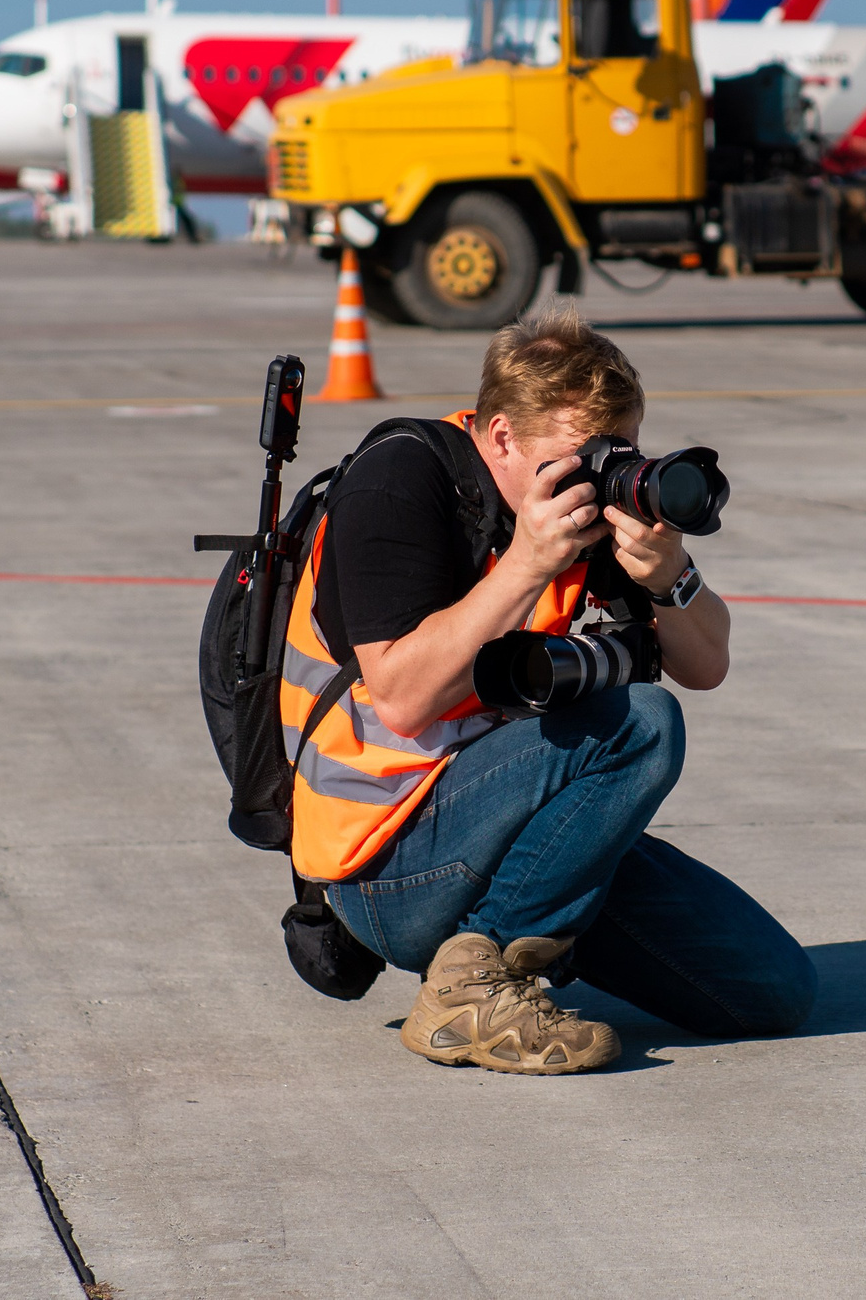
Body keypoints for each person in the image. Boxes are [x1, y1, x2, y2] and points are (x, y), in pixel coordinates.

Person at [280, 303, 815, 1074]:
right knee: (641, 718)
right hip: (385, 860)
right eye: (578, 454)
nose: (598, 474)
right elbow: (399, 696)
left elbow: (706, 665)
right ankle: (472, 983)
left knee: (774, 991)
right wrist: (526, 563)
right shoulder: (401, 478)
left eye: (617, 451)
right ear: (502, 435)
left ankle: (514, 934)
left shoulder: (577, 503)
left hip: (519, 834)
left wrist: (672, 576)